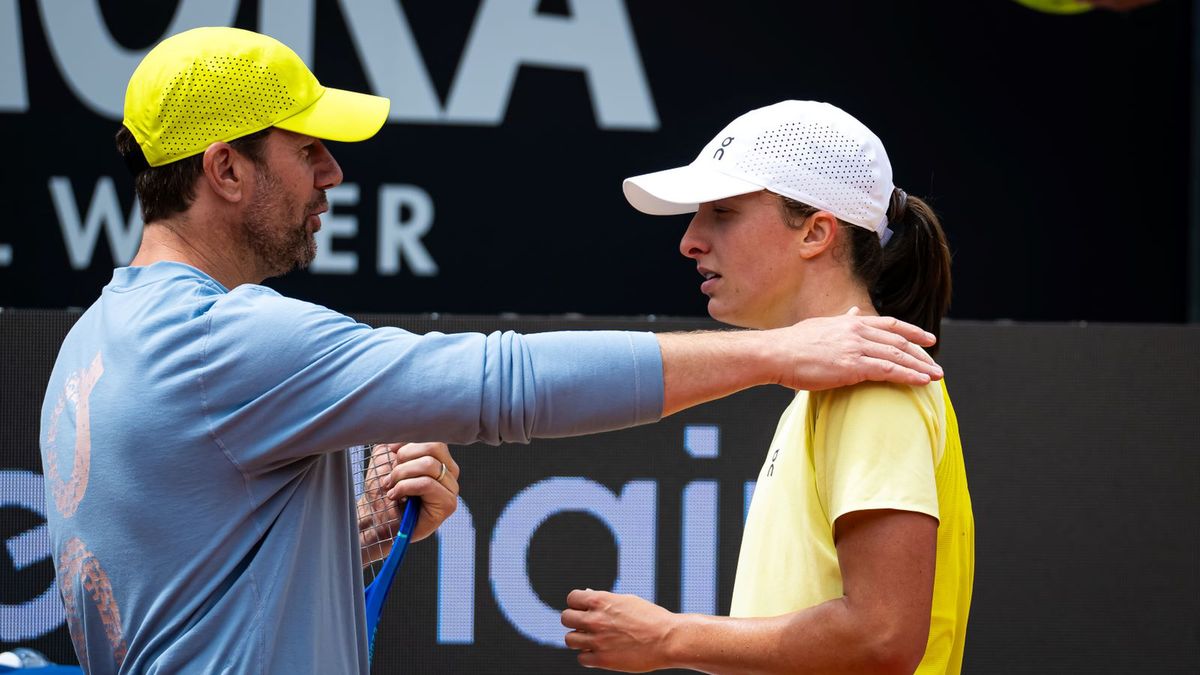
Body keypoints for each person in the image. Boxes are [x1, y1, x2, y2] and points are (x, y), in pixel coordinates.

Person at [39, 27, 943, 675]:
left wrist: (361, 533)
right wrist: (780, 352)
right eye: (307, 149)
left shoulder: (92, 348)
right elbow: (507, 382)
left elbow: (195, 601)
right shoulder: (223, 340)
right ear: (226, 169)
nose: (332, 173)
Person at [562, 101, 975, 673]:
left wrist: (671, 637)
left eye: (723, 212)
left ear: (816, 232)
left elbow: (882, 636)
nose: (690, 240)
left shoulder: (873, 384)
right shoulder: (834, 388)